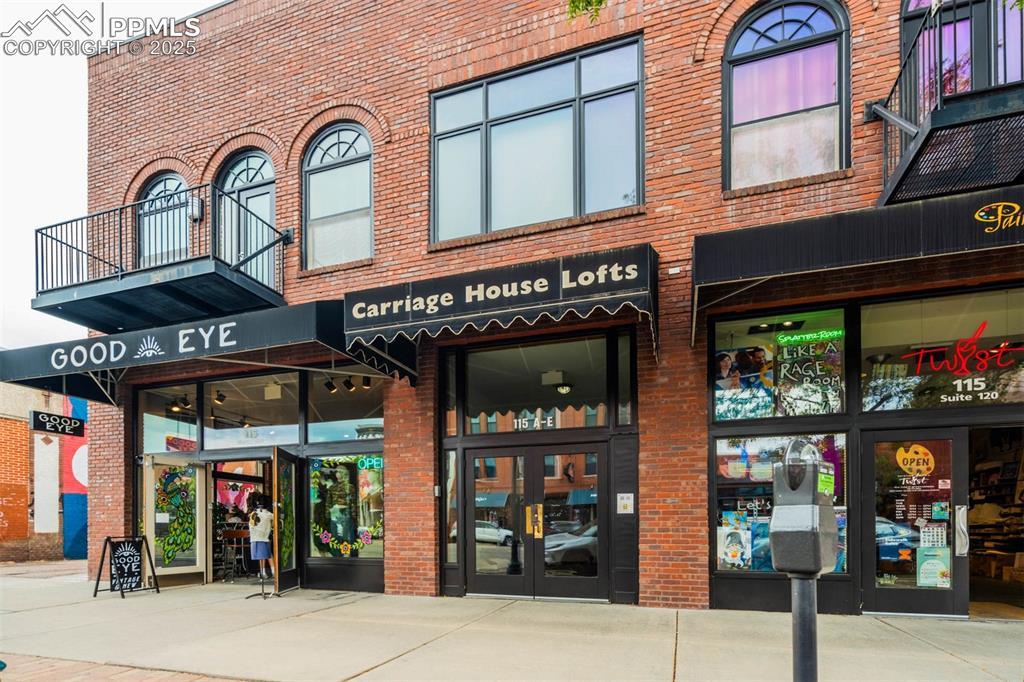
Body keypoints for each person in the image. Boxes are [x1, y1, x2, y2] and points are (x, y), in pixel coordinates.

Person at [248, 494, 274, 578]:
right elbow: (274, 525)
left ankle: (263, 572)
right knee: (269, 555)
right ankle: (274, 571)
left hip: (254, 538)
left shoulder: (253, 514)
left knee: (261, 556)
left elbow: (251, 526)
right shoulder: (269, 515)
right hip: (264, 538)